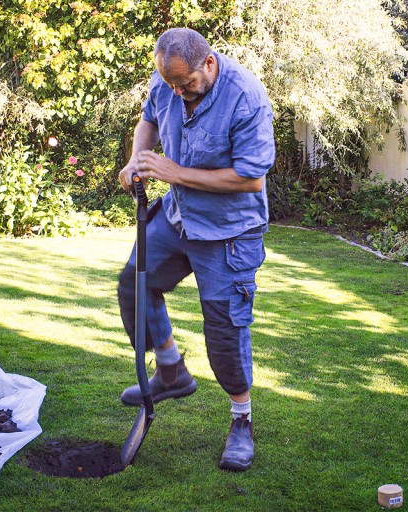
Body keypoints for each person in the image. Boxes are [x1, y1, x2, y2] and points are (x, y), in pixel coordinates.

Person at [117, 27, 275, 471]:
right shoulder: (168, 78)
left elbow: (250, 178)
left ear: (208, 63)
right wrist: (137, 161)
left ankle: (241, 420)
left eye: (185, 84)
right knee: (135, 283)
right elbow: (148, 119)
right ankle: (171, 371)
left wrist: (172, 172)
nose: (178, 91)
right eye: (171, 84)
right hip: (178, 217)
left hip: (229, 231)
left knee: (224, 328)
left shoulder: (245, 97)